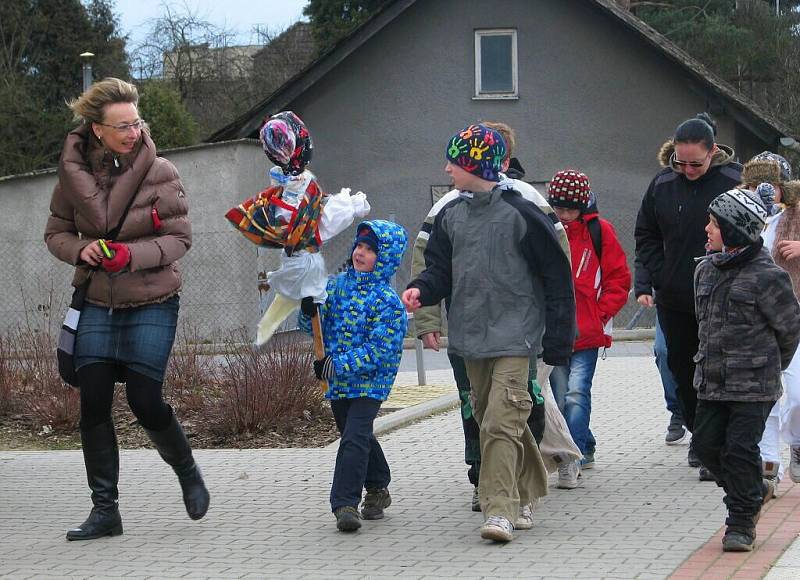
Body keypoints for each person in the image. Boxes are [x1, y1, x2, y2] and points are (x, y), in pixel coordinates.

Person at [44, 78, 209, 541]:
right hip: (98, 299)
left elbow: (180, 239)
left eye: (136, 122)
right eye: (122, 126)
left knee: (144, 399)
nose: (132, 132)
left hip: (153, 298)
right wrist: (82, 250)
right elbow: (55, 233)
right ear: (96, 130)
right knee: (92, 402)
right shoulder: (72, 177)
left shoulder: (162, 172)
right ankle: (105, 512)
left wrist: (129, 256)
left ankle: (186, 469)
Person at [402, 124, 575, 543]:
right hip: (469, 338)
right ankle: (527, 490)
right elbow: (440, 268)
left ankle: (500, 512)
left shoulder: (523, 212)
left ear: (474, 164)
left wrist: (559, 338)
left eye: (453, 161)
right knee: (491, 422)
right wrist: (421, 291)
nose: (445, 168)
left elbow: (557, 276)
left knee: (501, 420)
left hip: (516, 337)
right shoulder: (450, 214)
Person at [691, 187, 800, 552]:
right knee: (707, 449)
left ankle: (740, 521)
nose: (707, 229)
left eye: (714, 223)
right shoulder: (704, 271)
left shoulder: (769, 277)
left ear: (735, 229)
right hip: (711, 382)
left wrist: (769, 368)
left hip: (754, 385)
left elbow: (789, 330)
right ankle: (754, 487)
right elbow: (702, 323)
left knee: (739, 449)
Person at [635, 112, 742, 478]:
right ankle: (703, 439)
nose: (688, 169)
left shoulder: (733, 181)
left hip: (724, 299)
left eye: (696, 163)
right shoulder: (663, 183)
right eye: (680, 162)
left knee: (718, 372)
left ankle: (720, 446)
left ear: (713, 152)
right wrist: (658, 275)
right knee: (680, 369)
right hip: (676, 298)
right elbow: (645, 234)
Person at [300, 220, 408, 533]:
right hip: (339, 380)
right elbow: (313, 328)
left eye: (371, 249)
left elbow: (379, 351)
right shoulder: (335, 286)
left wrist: (338, 364)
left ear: (385, 258)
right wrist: (308, 310)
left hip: (371, 382)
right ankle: (378, 486)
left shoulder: (387, 302)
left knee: (354, 437)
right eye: (359, 245)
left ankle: (345, 503)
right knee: (356, 434)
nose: (361, 252)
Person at [546, 170, 631, 488]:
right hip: (553, 330)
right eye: (559, 208)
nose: (565, 215)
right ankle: (584, 443)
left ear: (583, 206)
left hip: (587, 331)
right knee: (560, 395)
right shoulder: (546, 228)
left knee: (576, 394)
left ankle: (573, 456)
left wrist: (600, 314)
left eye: (570, 209)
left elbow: (618, 278)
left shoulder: (600, 231)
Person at [740, 152, 800, 489]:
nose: (762, 191)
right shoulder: (741, 216)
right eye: (752, 184)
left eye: (771, 185)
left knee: (797, 395)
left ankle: (797, 442)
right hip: (756, 321)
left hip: (795, 315)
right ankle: (768, 465)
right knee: (765, 395)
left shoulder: (797, 214)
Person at [634, 258, 686, 445]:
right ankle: (677, 411)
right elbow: (646, 249)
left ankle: (699, 419)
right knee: (663, 351)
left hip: (701, 291)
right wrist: (643, 287)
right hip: (669, 297)